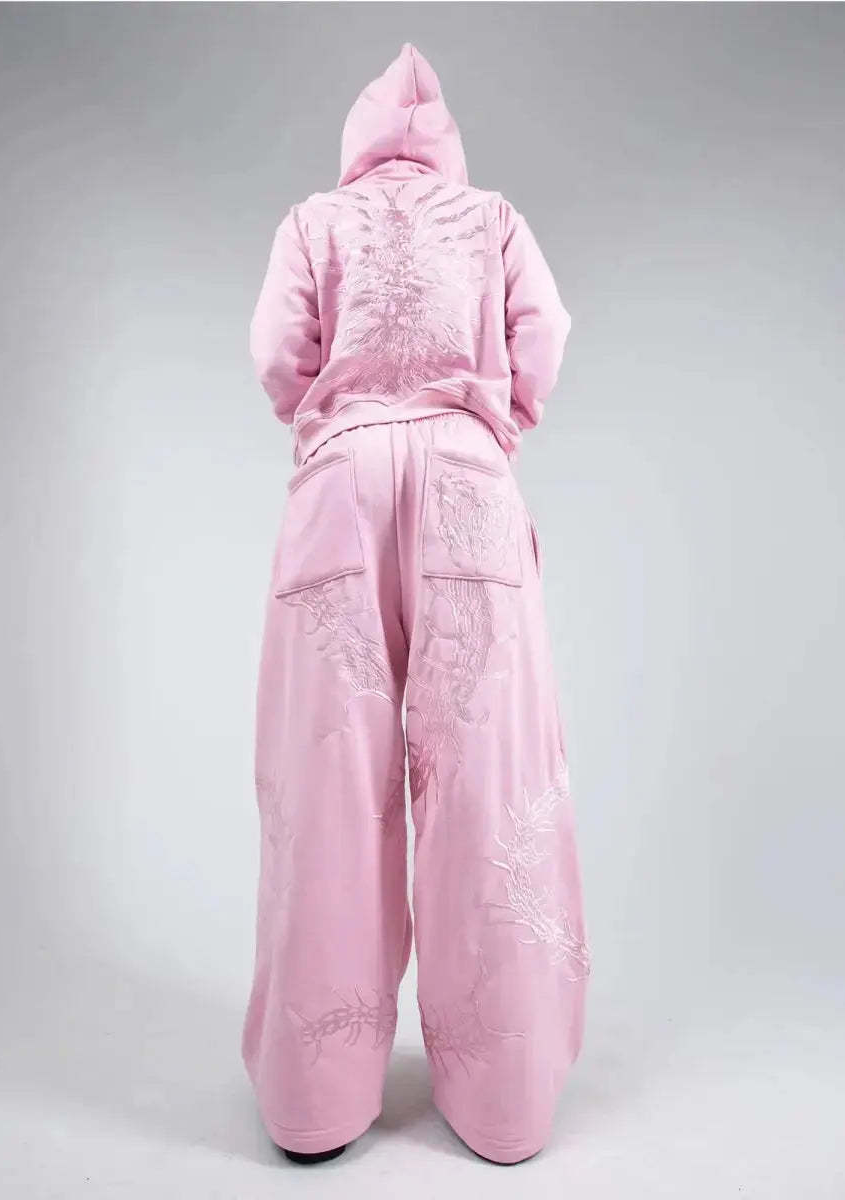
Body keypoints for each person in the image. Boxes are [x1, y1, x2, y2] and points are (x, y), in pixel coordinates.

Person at [243, 42, 589, 1166]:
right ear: (445, 144)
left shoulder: (313, 222)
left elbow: (277, 353)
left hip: (340, 486)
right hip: (466, 483)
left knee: (327, 779)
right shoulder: (493, 221)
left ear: (356, 142)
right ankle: (506, 1103)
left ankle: (314, 1103)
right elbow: (544, 337)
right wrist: (489, 424)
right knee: (490, 778)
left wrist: (341, 421)